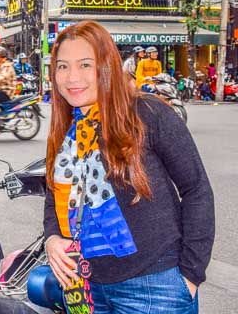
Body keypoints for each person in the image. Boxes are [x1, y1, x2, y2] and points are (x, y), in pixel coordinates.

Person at [42, 21, 214, 314]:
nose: (72, 77)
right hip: (84, 287)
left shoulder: (148, 113)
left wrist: (190, 274)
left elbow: (196, 189)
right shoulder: (67, 130)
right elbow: (54, 196)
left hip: (154, 288)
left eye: (85, 64)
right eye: (62, 66)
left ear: (107, 66)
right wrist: (52, 238)